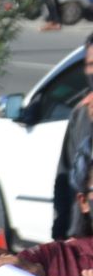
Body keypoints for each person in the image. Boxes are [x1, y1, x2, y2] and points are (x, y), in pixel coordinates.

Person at [53, 37, 93, 240]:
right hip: (77, 242)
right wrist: (59, 235)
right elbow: (65, 177)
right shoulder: (80, 114)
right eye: (90, 65)